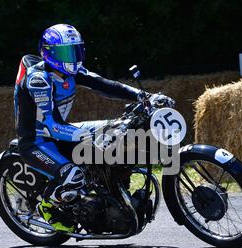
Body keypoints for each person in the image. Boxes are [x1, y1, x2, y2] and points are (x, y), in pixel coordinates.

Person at [14, 24, 172, 232]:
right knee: (73, 174)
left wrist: (144, 97)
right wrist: (91, 135)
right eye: (65, 52)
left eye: (75, 51)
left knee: (117, 130)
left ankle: (112, 191)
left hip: (60, 132)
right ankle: (47, 206)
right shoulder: (39, 80)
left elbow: (105, 85)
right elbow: (52, 127)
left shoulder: (71, 72)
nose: (72, 57)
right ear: (49, 53)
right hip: (37, 140)